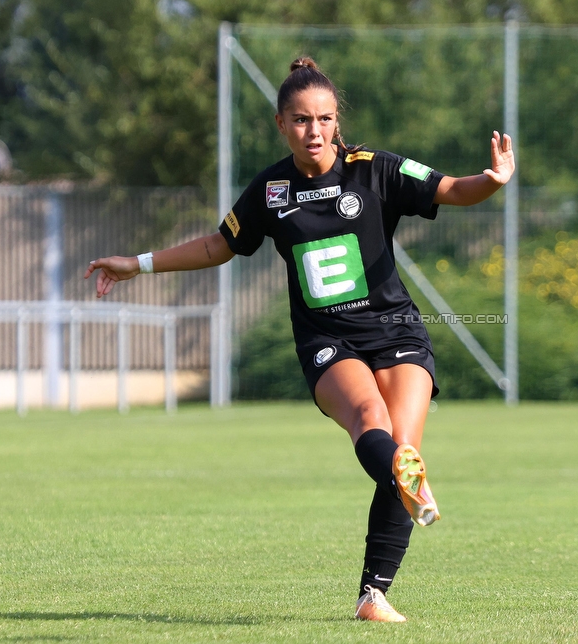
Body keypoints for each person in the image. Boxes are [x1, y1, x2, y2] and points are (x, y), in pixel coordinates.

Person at [85, 56, 515, 622]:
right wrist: (136, 264)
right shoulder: (270, 189)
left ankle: (373, 596)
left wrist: (493, 180)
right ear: (281, 124)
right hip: (327, 340)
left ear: (338, 121)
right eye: (301, 120)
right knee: (369, 419)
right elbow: (219, 246)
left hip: (396, 330)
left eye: (325, 119)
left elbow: (451, 189)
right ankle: (402, 487)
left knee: (403, 451)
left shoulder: (374, 170)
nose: (315, 131)